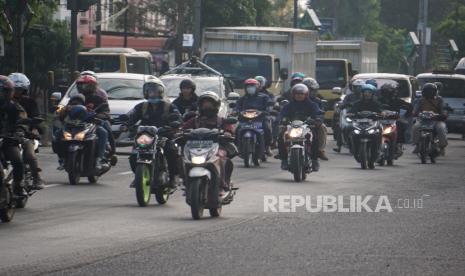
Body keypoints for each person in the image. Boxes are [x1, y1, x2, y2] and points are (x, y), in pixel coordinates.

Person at [125, 77, 181, 188]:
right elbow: (131, 116)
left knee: (171, 151)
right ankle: (138, 176)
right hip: (145, 135)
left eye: (155, 91)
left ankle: (173, 177)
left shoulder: (169, 106)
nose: (153, 94)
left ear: (161, 92)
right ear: (146, 93)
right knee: (133, 155)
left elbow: (178, 117)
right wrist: (125, 123)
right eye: (150, 91)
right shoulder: (142, 106)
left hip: (163, 136)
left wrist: (175, 124)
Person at [183, 91, 237, 195]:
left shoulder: (221, 121)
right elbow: (183, 128)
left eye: (210, 104)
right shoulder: (194, 120)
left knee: (222, 157)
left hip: (216, 148)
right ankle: (187, 183)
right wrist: (179, 132)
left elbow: (229, 128)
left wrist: (227, 133)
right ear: (200, 106)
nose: (207, 106)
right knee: (183, 158)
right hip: (195, 148)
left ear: (216, 106)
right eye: (204, 104)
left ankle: (222, 185)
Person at [8, 73, 44, 189]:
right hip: (5, 134)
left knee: (28, 154)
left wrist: (33, 130)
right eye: (14, 89)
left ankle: (36, 176)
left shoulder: (29, 102)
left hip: (23, 134)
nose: (17, 92)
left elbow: (35, 119)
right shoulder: (4, 103)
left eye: (20, 89)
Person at [278, 84, 322, 171]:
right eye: (297, 94)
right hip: (292, 126)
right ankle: (284, 159)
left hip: (307, 126)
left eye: (301, 94)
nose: (299, 96)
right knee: (281, 137)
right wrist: (281, 119)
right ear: (293, 95)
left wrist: (317, 119)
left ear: (306, 95)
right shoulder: (289, 105)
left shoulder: (312, 105)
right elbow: (281, 114)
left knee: (314, 138)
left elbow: (318, 113)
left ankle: (314, 160)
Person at [76, 75, 111, 169]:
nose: (80, 87)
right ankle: (62, 158)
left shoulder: (99, 99)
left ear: (91, 86)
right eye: (79, 85)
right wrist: (63, 112)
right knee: (59, 134)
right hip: (76, 125)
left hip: (92, 124)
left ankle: (99, 159)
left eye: (83, 85)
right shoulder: (76, 99)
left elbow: (106, 111)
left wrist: (99, 116)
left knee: (103, 132)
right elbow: (68, 109)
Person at [0, 76, 26, 195]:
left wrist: (19, 131)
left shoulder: (14, 107)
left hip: (7, 140)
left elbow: (21, 120)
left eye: (6, 91)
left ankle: (18, 185)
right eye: (3, 91)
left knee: (17, 160)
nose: (4, 94)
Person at [235, 78, 273, 156]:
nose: (250, 88)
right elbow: (237, 107)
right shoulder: (242, 98)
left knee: (267, 129)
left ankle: (267, 147)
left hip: (260, 119)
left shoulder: (264, 97)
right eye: (248, 86)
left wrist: (267, 111)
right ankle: (238, 148)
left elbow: (269, 106)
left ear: (257, 87)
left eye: (252, 86)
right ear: (245, 88)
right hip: (245, 120)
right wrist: (235, 112)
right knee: (237, 130)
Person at [411, 83, 448, 155]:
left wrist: (441, 115)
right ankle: (417, 145)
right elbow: (415, 110)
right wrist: (415, 113)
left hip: (436, 120)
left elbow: (443, 110)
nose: (429, 93)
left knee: (441, 128)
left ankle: (442, 147)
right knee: (415, 127)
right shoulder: (421, 100)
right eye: (427, 91)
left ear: (434, 91)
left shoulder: (439, 99)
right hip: (423, 120)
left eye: (431, 91)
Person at [378, 82, 413, 152]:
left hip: (394, 120)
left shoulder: (399, 101)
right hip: (380, 120)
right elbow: (372, 107)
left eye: (388, 92)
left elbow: (409, 107)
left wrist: (405, 113)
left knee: (401, 124)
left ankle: (398, 143)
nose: (387, 94)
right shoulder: (378, 101)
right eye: (385, 92)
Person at [302, 77, 329, 160]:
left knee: (323, 127)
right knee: (283, 129)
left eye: (314, 90)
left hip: (312, 123)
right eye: (311, 90)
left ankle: (321, 150)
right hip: (298, 122)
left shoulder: (317, 101)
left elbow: (321, 112)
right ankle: (283, 151)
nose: (313, 92)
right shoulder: (296, 99)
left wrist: (318, 120)